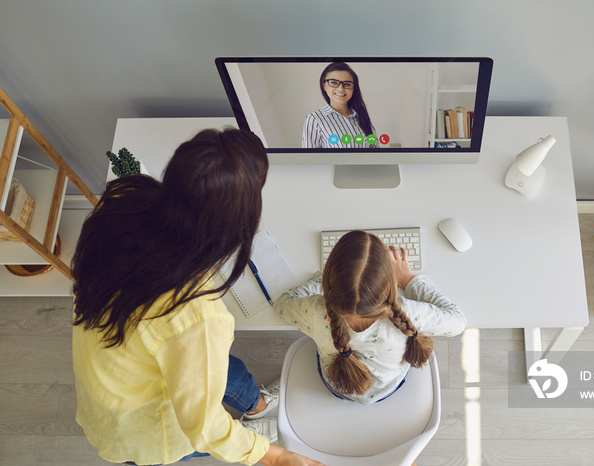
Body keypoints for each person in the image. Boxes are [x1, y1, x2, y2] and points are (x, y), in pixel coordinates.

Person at [72, 128, 326, 466]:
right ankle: (255, 433)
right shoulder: (196, 318)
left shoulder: (125, 201)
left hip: (117, 362)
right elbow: (204, 428)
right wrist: (276, 457)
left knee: (221, 366)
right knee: (210, 423)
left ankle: (257, 407)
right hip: (143, 424)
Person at [274, 230, 467, 403]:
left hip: (337, 386)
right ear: (390, 284)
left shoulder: (316, 311)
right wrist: (409, 280)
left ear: (330, 279)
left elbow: (282, 304)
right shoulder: (409, 313)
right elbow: (458, 321)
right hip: (389, 387)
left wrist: (321, 282)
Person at [302, 62, 378, 149]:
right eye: (334, 82)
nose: (341, 89)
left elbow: (376, 151)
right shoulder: (314, 119)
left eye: (347, 84)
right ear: (324, 85)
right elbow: (310, 160)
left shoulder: (361, 116)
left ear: (353, 88)